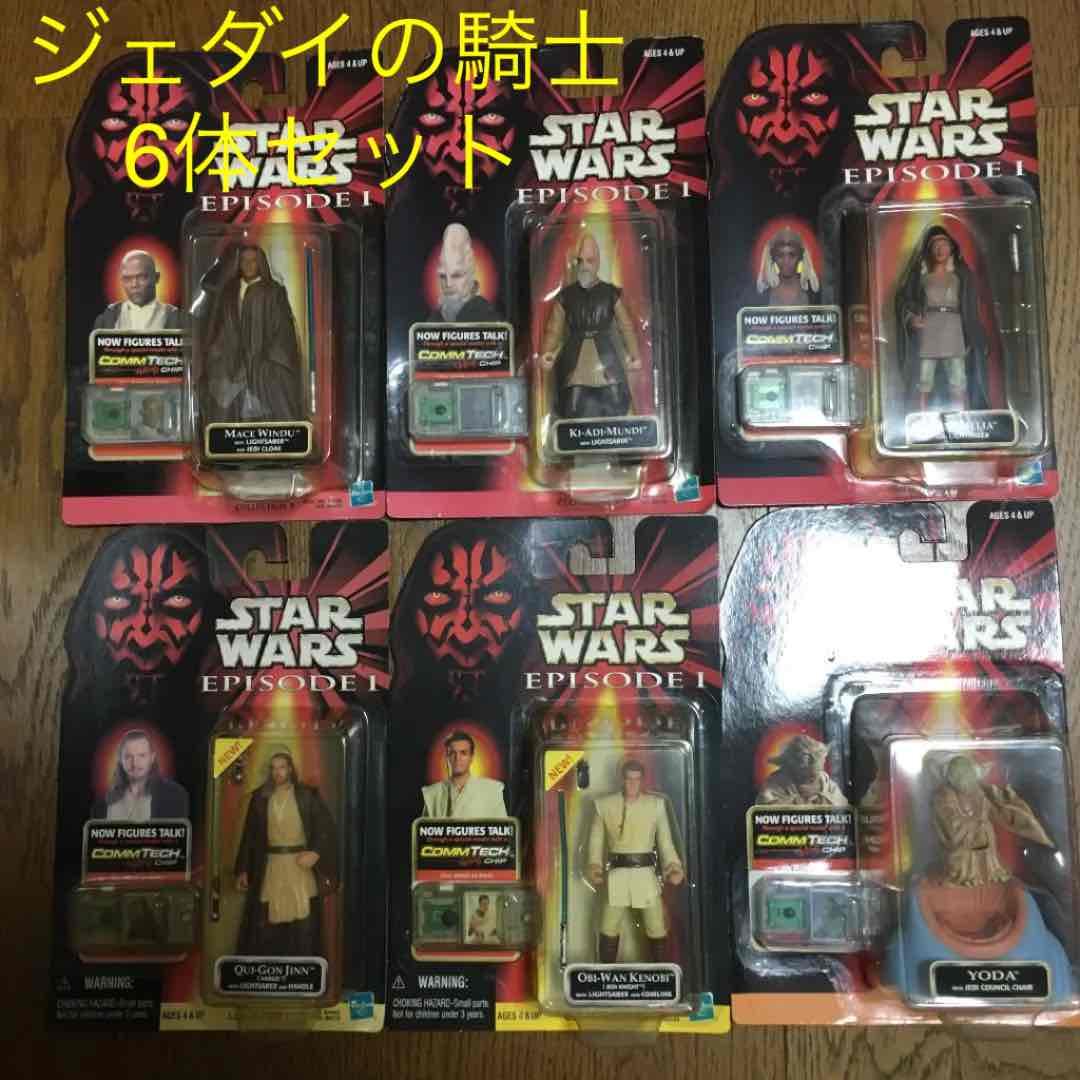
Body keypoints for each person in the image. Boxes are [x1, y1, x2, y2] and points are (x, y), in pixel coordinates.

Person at [234, 749, 338, 957]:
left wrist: (315, 853)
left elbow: (325, 827)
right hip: (271, 866)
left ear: (290, 769)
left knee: (303, 925)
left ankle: (305, 965)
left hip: (299, 866)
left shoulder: (307, 796)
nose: (277, 772)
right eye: (273, 768)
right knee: (268, 924)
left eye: (281, 767)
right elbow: (250, 836)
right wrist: (243, 869)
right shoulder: (260, 797)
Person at [587, 759, 684, 963]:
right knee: (608, 926)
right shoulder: (605, 805)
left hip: (645, 875)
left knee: (656, 925)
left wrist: (672, 866)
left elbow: (665, 842)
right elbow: (595, 841)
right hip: (617, 876)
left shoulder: (655, 805)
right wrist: (594, 866)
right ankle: (605, 971)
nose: (632, 784)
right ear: (622, 779)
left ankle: (661, 971)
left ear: (642, 781)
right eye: (629, 779)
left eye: (637, 779)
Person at [539, 230, 641, 421]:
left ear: (598, 262)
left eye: (590, 260)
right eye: (580, 261)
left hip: (606, 358)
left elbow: (626, 327)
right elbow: (554, 329)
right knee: (571, 406)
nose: (585, 266)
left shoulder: (611, 293)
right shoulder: (566, 296)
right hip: (574, 361)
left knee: (616, 402)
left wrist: (634, 354)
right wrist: (546, 352)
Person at [198, 244, 304, 423]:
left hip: (265, 364)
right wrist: (220, 360)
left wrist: (264, 363)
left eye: (253, 260)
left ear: (260, 263)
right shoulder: (228, 292)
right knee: (220, 394)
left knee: (277, 396)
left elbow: (284, 334)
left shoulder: (274, 292)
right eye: (244, 260)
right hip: (232, 362)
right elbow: (218, 330)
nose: (248, 265)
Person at [897, 225, 989, 413]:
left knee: (958, 378)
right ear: (929, 250)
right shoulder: (920, 276)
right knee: (924, 378)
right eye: (936, 246)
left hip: (954, 329)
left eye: (944, 245)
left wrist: (973, 333)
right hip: (930, 330)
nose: (940, 250)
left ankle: (961, 413)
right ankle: (921, 414)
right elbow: (904, 299)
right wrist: (911, 318)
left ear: (951, 248)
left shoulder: (962, 275)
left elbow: (970, 308)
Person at [932, 753, 1051, 888]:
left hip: (984, 838)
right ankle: (964, 876)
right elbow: (950, 826)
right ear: (951, 777)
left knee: (986, 833)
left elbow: (999, 812)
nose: (964, 780)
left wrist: (1004, 802)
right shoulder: (944, 796)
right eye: (958, 775)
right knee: (961, 853)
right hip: (962, 843)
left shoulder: (980, 792)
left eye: (968, 774)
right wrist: (975, 820)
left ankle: (989, 871)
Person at [92, 729, 189, 821]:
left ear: (152, 758)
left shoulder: (175, 795)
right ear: (120, 760)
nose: (135, 763)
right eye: (128, 757)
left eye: (142, 755)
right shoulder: (102, 804)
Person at [421, 730, 508, 818]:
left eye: (463, 753)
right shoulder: (432, 794)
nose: (457, 758)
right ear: (447, 757)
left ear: (471, 757)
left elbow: (502, 826)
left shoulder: (492, 791)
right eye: (452, 753)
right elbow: (424, 826)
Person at [94, 250, 183, 331]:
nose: (134, 285)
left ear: (156, 278)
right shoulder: (107, 318)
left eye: (141, 277)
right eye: (127, 278)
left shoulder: (176, 318)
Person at [428, 223, 498, 322]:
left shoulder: (486, 315)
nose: (448, 284)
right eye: (443, 276)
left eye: (456, 276)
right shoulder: (434, 319)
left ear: (470, 276)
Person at [756, 733, 847, 807]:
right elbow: (765, 807)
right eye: (805, 761)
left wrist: (824, 799)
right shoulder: (775, 784)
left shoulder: (828, 786)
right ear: (789, 764)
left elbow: (841, 807)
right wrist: (797, 803)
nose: (813, 764)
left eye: (820, 760)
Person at [755, 227, 820, 306]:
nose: (786, 261)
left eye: (792, 255)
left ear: (800, 256)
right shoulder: (763, 294)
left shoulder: (813, 293)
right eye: (780, 255)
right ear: (773, 257)